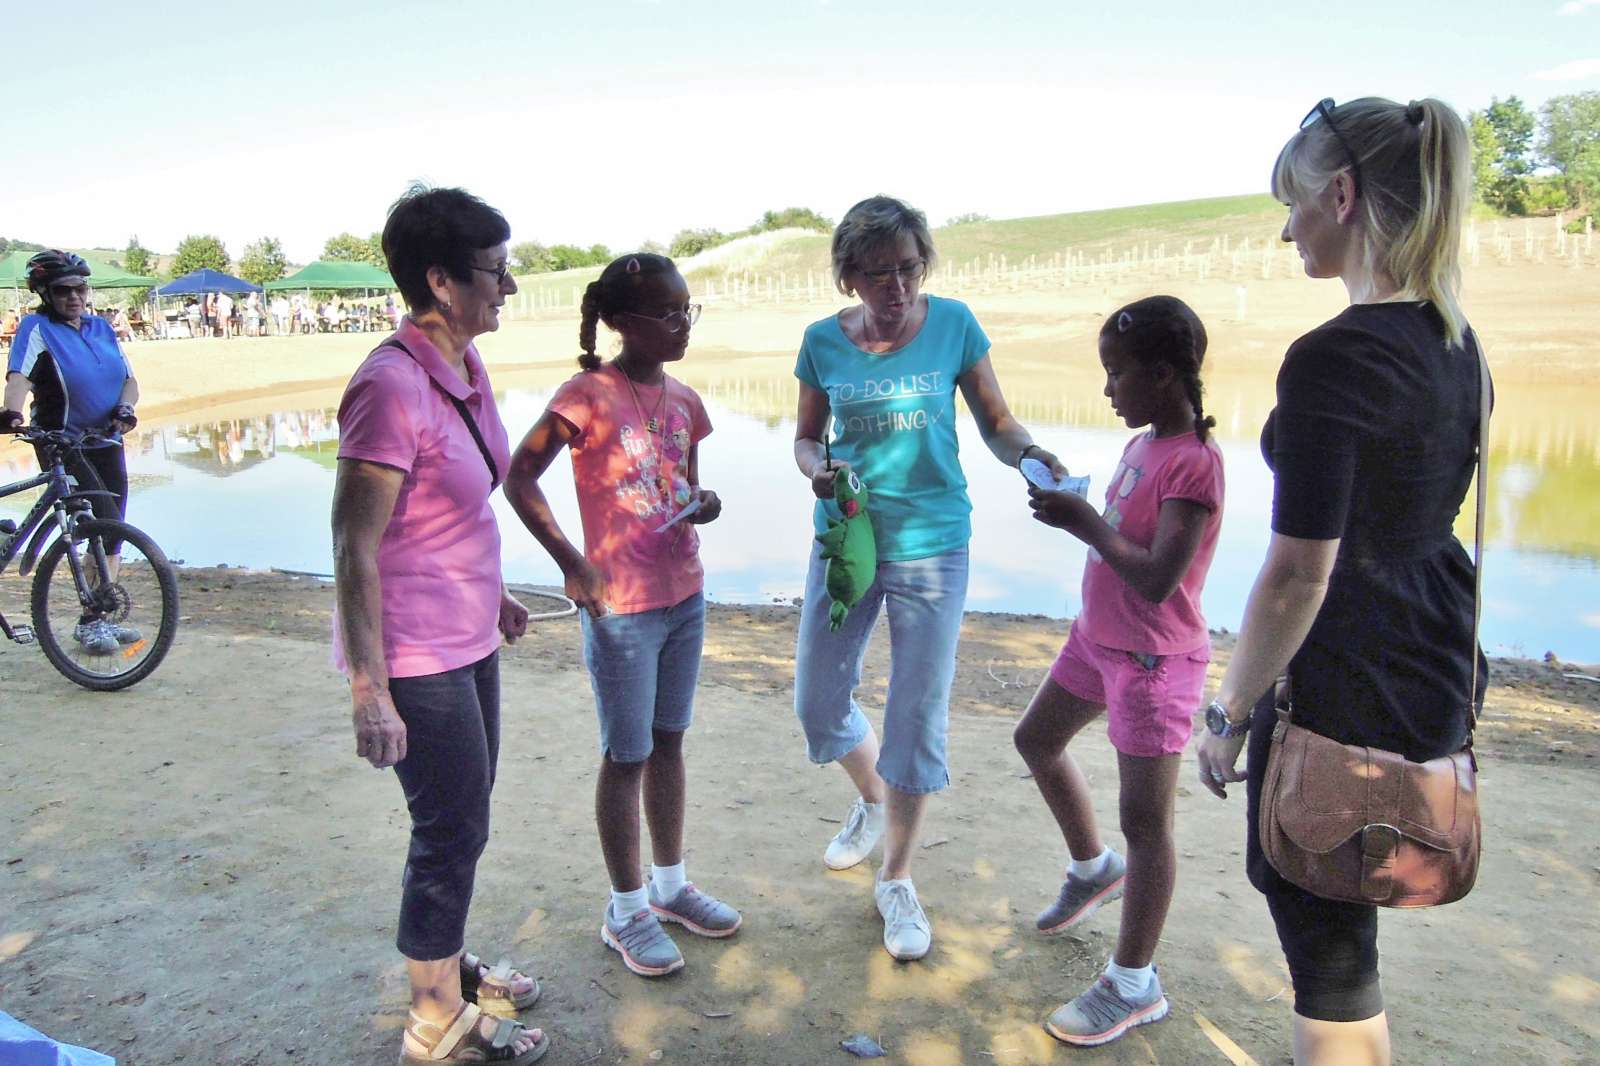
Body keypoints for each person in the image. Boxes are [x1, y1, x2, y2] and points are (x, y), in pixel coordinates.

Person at [1195, 97, 1485, 1066]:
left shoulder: (1334, 358)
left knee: (1323, 932)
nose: (1287, 230)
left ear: (1342, 195)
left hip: (1345, 671)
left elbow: (1295, 575)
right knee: (1339, 924)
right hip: (1433, 653)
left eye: (1294, 203)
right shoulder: (1457, 341)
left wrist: (1229, 711)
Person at [791, 195, 1069, 961]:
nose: (899, 286)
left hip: (935, 542)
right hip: (848, 536)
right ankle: (871, 797)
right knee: (818, 701)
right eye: (880, 273)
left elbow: (997, 423)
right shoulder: (821, 342)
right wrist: (817, 470)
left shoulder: (954, 325)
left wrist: (1033, 457)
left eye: (911, 268)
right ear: (849, 276)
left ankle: (897, 878)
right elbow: (807, 439)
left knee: (916, 713)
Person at [330, 184, 549, 1066]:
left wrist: (492, 594)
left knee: (468, 814)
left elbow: (450, 506)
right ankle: (433, 1017)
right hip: (413, 654)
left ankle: (446, 968)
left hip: (467, 635)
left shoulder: (463, 364)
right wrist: (370, 691)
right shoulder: (388, 384)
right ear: (441, 281)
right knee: (451, 828)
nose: (510, 285)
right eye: (496, 271)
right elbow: (354, 545)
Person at [504, 252, 739, 981]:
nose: (682, 325)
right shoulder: (586, 395)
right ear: (622, 323)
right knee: (627, 754)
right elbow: (519, 477)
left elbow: (686, 490)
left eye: (687, 311)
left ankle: (670, 887)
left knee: (669, 742)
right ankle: (626, 908)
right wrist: (572, 563)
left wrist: (705, 504)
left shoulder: (686, 402)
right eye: (667, 314)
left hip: (683, 595)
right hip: (621, 607)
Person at [1014, 295, 1225, 1046]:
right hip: (1096, 640)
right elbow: (1122, 536)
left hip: (1151, 662)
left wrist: (1085, 524)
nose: (1107, 389)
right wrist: (1073, 499)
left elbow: (1159, 578)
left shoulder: (1195, 463)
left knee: (1146, 822)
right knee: (1036, 740)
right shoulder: (1143, 445)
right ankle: (1091, 869)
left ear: (1163, 374)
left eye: (1117, 373)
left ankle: (1134, 984)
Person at [1, 250, 141, 655]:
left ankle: (103, 614)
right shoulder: (37, 328)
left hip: (106, 440)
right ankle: (90, 621)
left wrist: (125, 408)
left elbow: (129, 381)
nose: (75, 296)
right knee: (93, 523)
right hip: (61, 442)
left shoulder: (102, 328)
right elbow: (19, 377)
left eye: (81, 288)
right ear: (45, 293)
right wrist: (12, 412)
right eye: (64, 290)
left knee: (113, 530)